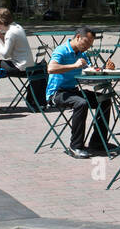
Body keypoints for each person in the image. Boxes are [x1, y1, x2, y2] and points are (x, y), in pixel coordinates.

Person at [46, 26, 110, 158]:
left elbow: (90, 70)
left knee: (104, 100)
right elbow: (51, 68)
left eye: (90, 44)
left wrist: (105, 69)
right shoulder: (62, 50)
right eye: (86, 43)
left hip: (73, 91)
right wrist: (74, 66)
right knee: (81, 103)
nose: (88, 47)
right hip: (57, 93)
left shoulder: (82, 53)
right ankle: (75, 146)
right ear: (78, 37)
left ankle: (97, 142)